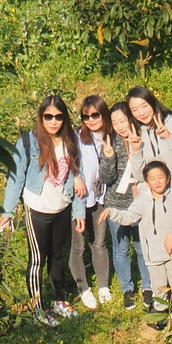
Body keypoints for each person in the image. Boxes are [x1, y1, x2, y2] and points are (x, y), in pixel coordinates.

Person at [0, 95, 85, 327]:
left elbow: (79, 176)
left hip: (62, 207)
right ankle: (37, 307)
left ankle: (59, 300)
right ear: (41, 117)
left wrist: (79, 212)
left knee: (58, 256)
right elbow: (15, 178)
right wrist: (7, 212)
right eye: (49, 117)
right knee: (38, 259)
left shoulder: (71, 141)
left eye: (58, 117)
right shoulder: (28, 142)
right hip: (37, 208)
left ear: (64, 119)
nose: (53, 121)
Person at [99, 160, 172, 314]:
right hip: (153, 255)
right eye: (152, 178)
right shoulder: (142, 201)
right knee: (159, 288)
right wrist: (112, 212)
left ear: (168, 178)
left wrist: (170, 236)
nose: (157, 182)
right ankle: (161, 313)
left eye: (160, 177)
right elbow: (129, 216)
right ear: (146, 182)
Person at [99, 101, 150, 311]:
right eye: (115, 122)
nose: (120, 125)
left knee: (141, 247)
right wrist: (109, 157)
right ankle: (127, 290)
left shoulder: (143, 138)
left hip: (140, 203)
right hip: (115, 204)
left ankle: (148, 288)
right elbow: (106, 178)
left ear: (131, 118)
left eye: (123, 120)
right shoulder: (110, 141)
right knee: (120, 249)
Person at [69, 95, 113, 309]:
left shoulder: (111, 136)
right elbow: (66, 163)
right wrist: (76, 177)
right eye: (86, 116)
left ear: (103, 113)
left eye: (95, 114)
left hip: (101, 197)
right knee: (77, 247)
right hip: (78, 199)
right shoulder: (77, 137)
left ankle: (103, 285)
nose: (91, 120)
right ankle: (84, 289)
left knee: (99, 243)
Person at [127, 85, 172, 177]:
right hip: (152, 190)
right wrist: (136, 151)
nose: (141, 113)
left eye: (144, 106)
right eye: (135, 110)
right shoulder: (136, 134)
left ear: (152, 103)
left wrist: (168, 138)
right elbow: (139, 177)